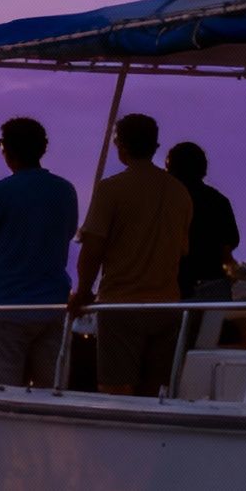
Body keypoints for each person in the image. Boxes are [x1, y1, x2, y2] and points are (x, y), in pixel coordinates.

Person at [71, 113, 192, 397]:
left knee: (115, 388)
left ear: (121, 145)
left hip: (121, 305)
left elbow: (93, 248)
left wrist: (83, 292)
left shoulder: (111, 189)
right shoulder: (179, 193)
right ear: (154, 145)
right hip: (166, 306)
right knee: (154, 392)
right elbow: (182, 249)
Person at [0, 116, 78, 387]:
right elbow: (68, 233)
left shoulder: (0, 194)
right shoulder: (65, 191)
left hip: (8, 306)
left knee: (1, 392)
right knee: (49, 392)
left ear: (8, 149)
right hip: (52, 305)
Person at [168, 141, 239, 300]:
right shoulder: (219, 201)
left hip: (174, 286)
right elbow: (227, 249)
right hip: (212, 286)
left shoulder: (166, 202)